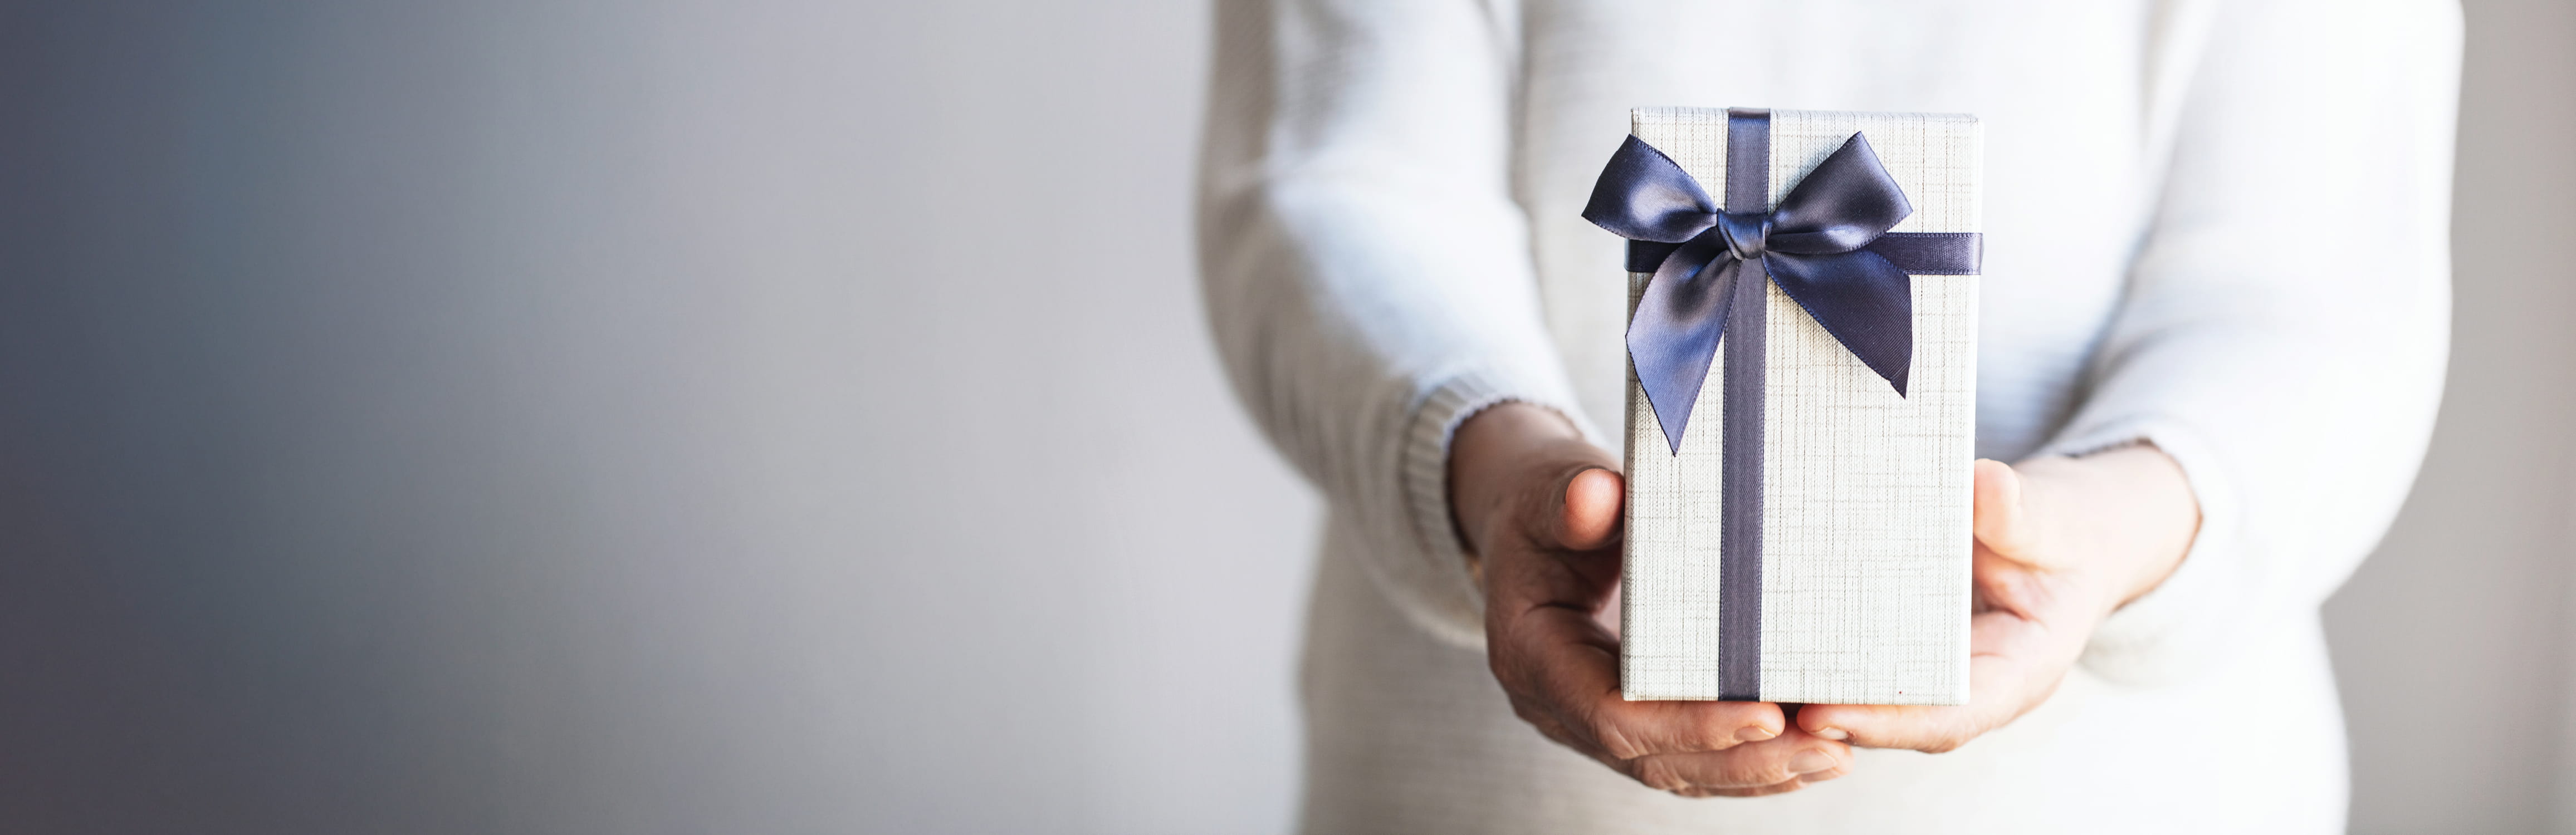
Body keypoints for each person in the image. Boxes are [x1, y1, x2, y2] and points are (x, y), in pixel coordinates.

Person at [1196, 1, 2458, 831]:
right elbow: (1333, 177)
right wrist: (1489, 457)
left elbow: (2318, 278)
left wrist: (2106, 526)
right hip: (1472, 784)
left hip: (2131, 790)